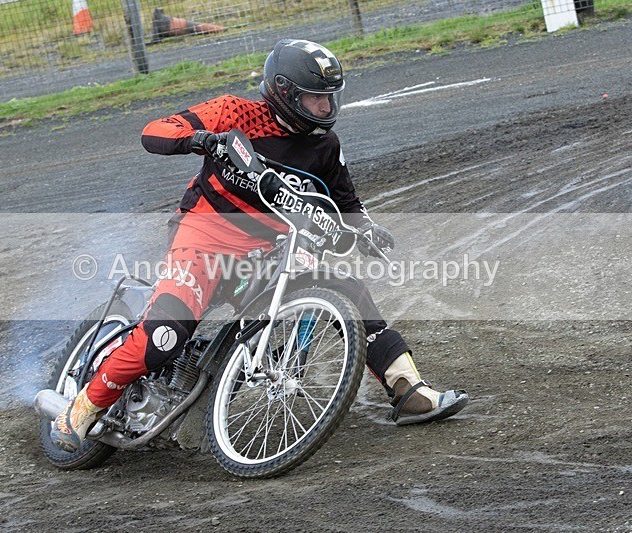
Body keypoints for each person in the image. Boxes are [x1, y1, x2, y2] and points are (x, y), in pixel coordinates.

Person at [51, 39, 469, 452]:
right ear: (284, 93)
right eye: (316, 100)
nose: (327, 109)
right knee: (165, 333)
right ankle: (81, 409)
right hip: (203, 236)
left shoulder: (326, 146)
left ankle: (408, 389)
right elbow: (155, 131)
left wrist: (368, 229)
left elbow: (344, 201)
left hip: (271, 249)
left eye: (331, 98)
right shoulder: (236, 112)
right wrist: (202, 141)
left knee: (350, 291)